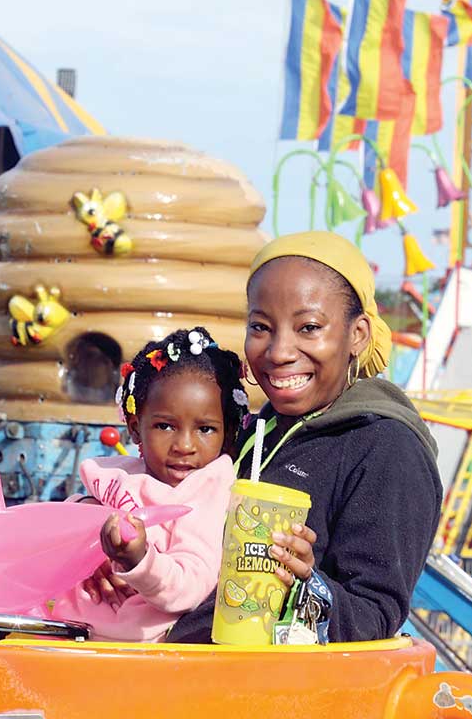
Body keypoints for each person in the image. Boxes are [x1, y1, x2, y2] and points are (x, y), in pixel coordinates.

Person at [166, 231, 443, 643]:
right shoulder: (258, 430)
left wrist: (306, 584)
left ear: (358, 334)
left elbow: (374, 615)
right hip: (182, 679)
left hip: (272, 699)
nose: (279, 351)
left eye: (308, 327)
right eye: (260, 327)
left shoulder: (385, 446)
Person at [52, 326, 248, 641]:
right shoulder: (123, 473)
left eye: (206, 429)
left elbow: (192, 581)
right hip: (66, 629)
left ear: (228, 433)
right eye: (165, 426)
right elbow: (60, 526)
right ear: (134, 427)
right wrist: (86, 515)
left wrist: (139, 560)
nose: (184, 445)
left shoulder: (207, 487)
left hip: (132, 652)